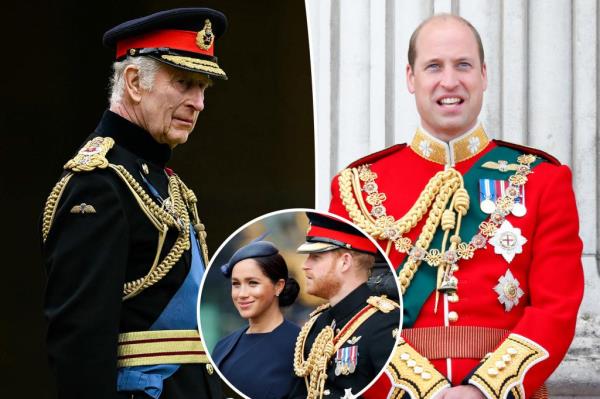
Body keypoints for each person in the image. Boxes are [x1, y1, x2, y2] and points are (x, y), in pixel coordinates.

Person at [329, 14, 584, 399]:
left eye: (462, 65)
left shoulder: (541, 179)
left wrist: (485, 390)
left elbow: (556, 308)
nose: (450, 81)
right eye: (434, 66)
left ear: (483, 74)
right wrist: (424, 391)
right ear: (411, 78)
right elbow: (346, 310)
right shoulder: (359, 186)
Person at [40, 8, 228, 398]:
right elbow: (80, 343)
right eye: (183, 83)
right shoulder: (98, 183)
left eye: (203, 88)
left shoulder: (164, 180)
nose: (199, 103)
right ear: (133, 82)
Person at [290, 212, 401, 399]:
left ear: (345, 262)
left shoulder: (384, 322)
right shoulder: (315, 325)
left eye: (315, 257)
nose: (305, 265)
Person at [211, 239, 301, 399]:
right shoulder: (222, 347)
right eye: (236, 284)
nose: (242, 294)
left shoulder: (301, 346)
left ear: (278, 286)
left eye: (253, 283)